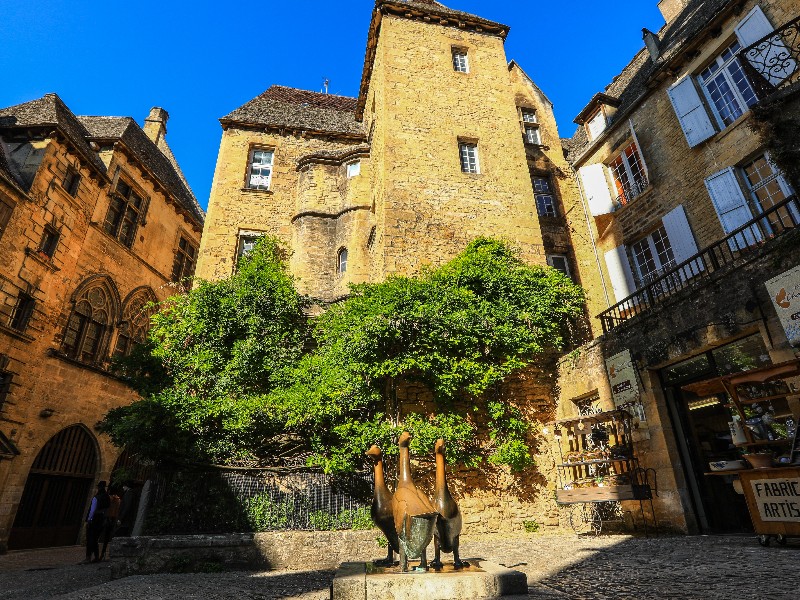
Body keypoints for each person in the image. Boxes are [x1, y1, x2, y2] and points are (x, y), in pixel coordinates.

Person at [82, 481, 110, 564]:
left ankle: (88, 557)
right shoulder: (107, 497)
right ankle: (97, 556)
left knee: (90, 538)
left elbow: (92, 510)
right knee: (95, 539)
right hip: (102, 520)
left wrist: (89, 520)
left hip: (94, 520)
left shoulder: (97, 497)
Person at [99, 485, 121, 561]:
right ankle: (105, 553)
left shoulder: (109, 498)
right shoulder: (118, 499)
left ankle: (101, 554)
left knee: (102, 536)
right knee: (108, 537)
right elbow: (117, 510)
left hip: (107, 518)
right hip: (113, 519)